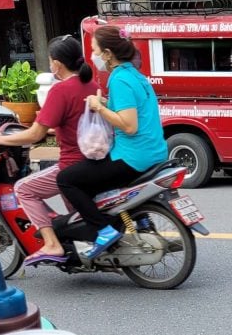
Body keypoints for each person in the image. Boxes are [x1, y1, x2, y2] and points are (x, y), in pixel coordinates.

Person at [0, 35, 96, 266]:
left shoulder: (60, 91)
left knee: (24, 188)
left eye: (51, 60)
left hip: (73, 163)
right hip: (94, 158)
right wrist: (56, 130)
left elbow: (35, 134)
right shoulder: (90, 85)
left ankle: (52, 243)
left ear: (57, 64)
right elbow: (76, 122)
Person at [57, 25, 168, 258]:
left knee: (67, 179)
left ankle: (103, 230)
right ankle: (139, 220)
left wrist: (99, 107)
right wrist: (107, 104)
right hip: (154, 152)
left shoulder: (120, 79)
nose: (93, 56)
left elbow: (129, 125)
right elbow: (133, 111)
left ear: (108, 53)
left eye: (95, 50)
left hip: (132, 156)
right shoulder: (135, 75)